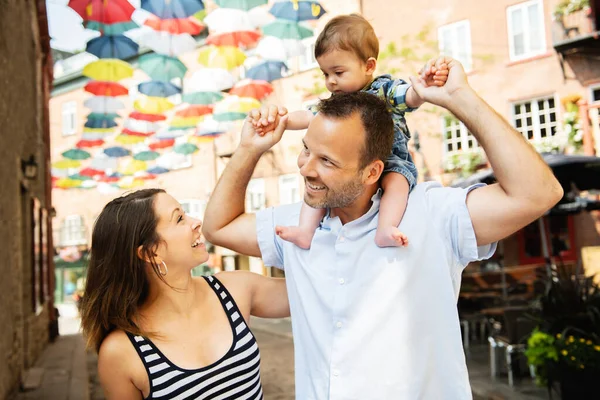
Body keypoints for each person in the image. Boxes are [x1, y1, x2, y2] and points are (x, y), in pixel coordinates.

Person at [202, 56, 563, 399]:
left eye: (326, 160)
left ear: (372, 171)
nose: (306, 169)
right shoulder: (297, 225)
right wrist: (249, 149)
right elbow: (219, 228)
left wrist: (459, 98)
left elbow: (537, 193)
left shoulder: (430, 213)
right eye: (306, 150)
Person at [252, 14, 448, 249]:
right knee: (318, 186)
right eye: (325, 74)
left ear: (369, 66)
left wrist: (423, 88)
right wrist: (280, 122)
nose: (331, 81)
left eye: (338, 72)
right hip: (349, 166)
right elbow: (308, 115)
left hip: (391, 158)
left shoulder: (383, 89)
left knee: (397, 183)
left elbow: (408, 97)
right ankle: (305, 231)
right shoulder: (336, 101)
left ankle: (386, 228)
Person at [80, 188, 289, 400]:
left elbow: (310, 291)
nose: (196, 222)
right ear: (151, 253)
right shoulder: (120, 352)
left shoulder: (233, 290)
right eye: (179, 218)